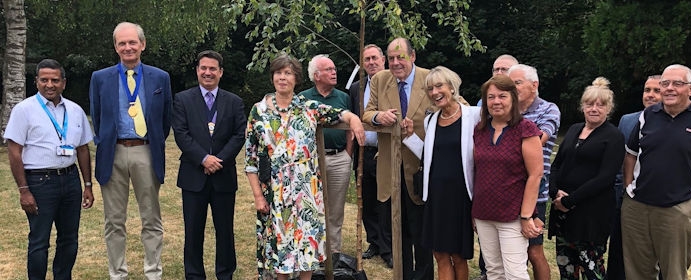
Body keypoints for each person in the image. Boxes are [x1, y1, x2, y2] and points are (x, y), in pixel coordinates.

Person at [244, 54, 365, 280]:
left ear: (296, 79)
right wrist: (258, 196)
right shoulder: (258, 111)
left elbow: (339, 114)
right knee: (280, 246)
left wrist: (354, 119)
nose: (283, 77)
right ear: (272, 77)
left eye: (288, 73)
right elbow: (250, 159)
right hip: (275, 192)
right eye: (279, 73)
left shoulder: (307, 107)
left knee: (306, 247)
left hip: (306, 191)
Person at [89, 22, 172, 280]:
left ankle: (153, 272)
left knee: (151, 218)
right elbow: (97, 114)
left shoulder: (160, 77)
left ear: (142, 45)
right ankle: (118, 274)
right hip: (113, 153)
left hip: (145, 152)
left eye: (132, 42)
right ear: (116, 47)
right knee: (114, 221)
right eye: (122, 43)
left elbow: (165, 118)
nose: (128, 47)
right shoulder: (100, 77)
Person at [4, 59, 94, 280]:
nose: (49, 85)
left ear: (64, 83)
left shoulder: (75, 110)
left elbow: (83, 149)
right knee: (39, 240)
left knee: (69, 240)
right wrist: (24, 190)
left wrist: (88, 185)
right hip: (39, 182)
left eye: (55, 80)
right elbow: (14, 151)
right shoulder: (24, 110)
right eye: (44, 80)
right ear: (36, 82)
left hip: (70, 180)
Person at [362, 37, 435, 280]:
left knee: (422, 230)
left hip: (421, 166)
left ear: (412, 57)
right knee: (398, 229)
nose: (395, 63)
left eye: (400, 57)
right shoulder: (381, 79)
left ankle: (424, 276)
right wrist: (378, 116)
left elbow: (454, 108)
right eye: (391, 58)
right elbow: (367, 112)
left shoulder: (430, 78)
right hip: (390, 168)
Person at [172, 50, 246, 280]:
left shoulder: (234, 102)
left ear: (220, 72)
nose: (207, 72)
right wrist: (204, 158)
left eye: (213, 68)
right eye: (203, 68)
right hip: (194, 176)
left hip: (223, 176)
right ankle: (194, 275)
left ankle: (225, 274)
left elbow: (239, 135)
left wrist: (218, 160)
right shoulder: (182, 99)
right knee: (193, 231)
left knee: (225, 231)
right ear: (197, 71)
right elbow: (181, 134)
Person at [402, 66, 481, 280]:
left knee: (458, 255)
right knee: (439, 254)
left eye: (439, 86)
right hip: (435, 196)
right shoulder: (431, 121)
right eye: (430, 88)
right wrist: (409, 137)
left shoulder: (472, 116)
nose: (435, 92)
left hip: (459, 196)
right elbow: (429, 156)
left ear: (452, 87)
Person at [548, 77, 625, 279]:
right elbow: (557, 164)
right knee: (566, 266)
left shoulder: (613, 136)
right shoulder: (573, 130)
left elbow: (605, 178)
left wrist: (569, 201)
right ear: (582, 106)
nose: (594, 109)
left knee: (592, 268)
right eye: (590, 104)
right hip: (563, 213)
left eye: (601, 105)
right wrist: (554, 192)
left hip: (591, 215)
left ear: (609, 109)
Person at [622, 64, 691, 279]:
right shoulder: (647, 116)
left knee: (674, 273)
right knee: (637, 271)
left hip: (677, 208)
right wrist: (628, 187)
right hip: (637, 206)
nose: (669, 88)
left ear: (690, 89)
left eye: (677, 83)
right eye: (665, 83)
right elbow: (631, 153)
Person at [472, 74, 543, 280]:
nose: (496, 101)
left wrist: (526, 216)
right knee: (494, 271)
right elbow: (478, 171)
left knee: (515, 273)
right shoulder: (480, 130)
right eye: (491, 97)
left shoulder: (525, 129)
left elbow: (535, 175)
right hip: (483, 212)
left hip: (512, 215)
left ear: (512, 98)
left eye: (501, 96)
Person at [507, 64, 560, 280]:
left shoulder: (549, 109)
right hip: (507, 190)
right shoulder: (506, 109)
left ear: (534, 85)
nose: (513, 88)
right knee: (510, 250)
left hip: (535, 191)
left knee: (533, 249)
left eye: (517, 83)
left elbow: (538, 140)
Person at [299, 54, 353, 254]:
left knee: (335, 209)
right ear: (316, 75)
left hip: (339, 159)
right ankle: (313, 251)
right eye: (328, 69)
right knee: (312, 206)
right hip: (312, 161)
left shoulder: (343, 97)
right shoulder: (303, 98)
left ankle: (333, 252)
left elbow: (350, 128)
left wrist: (348, 153)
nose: (334, 72)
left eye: (334, 69)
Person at [608, 74, 661, 280]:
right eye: (647, 90)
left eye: (656, 90)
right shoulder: (628, 120)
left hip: (663, 202)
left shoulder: (680, 122)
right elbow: (620, 160)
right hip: (627, 198)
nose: (651, 95)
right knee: (621, 254)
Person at [348, 44, 393, 268]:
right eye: (367, 59)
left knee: (385, 200)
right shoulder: (357, 88)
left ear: (383, 60)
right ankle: (373, 242)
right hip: (363, 152)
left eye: (375, 58)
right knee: (366, 198)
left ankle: (388, 248)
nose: (371, 62)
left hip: (385, 152)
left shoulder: (391, 83)